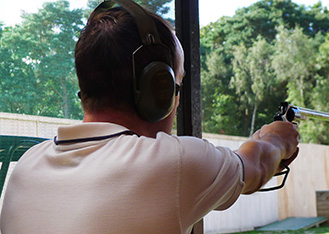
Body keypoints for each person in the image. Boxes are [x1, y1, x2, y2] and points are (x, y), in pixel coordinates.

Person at [0, 0, 299, 233]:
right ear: (160, 88)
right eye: (176, 84)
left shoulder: (27, 164)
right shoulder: (174, 162)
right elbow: (258, 163)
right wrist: (277, 137)